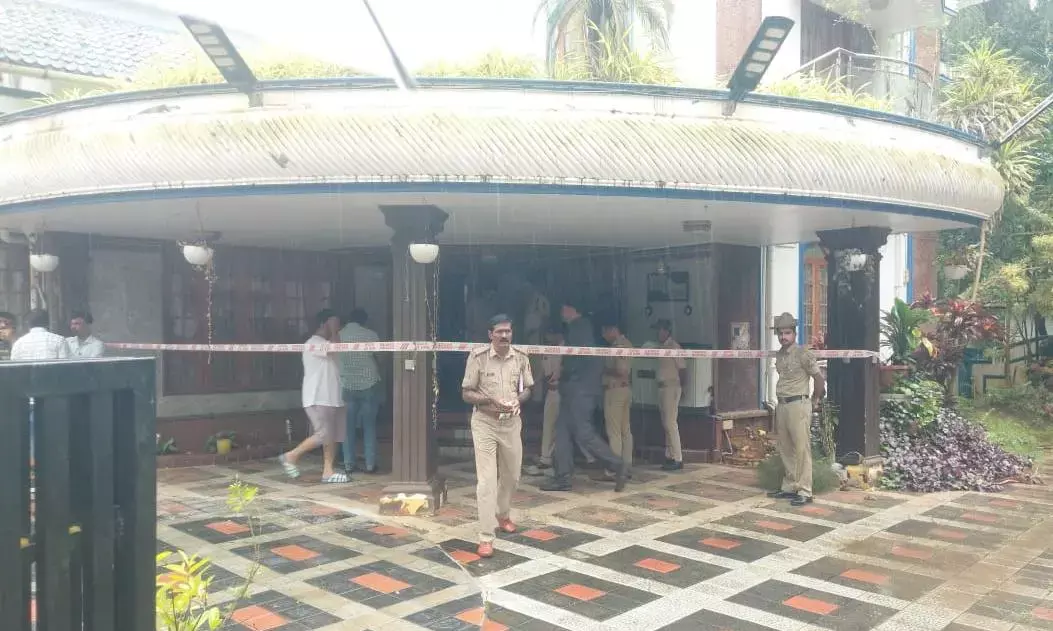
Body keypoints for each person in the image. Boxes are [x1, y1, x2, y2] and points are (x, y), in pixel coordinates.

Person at [461, 314, 533, 558]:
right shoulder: (478, 357)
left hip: (511, 424)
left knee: (512, 476)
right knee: (487, 481)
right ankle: (485, 536)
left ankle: (502, 514)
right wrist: (490, 400)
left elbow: (528, 388)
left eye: (508, 331)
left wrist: (518, 400)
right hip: (485, 423)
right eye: (499, 332)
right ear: (490, 334)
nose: (504, 335)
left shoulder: (521, 357)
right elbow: (466, 393)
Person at [540, 299, 627, 492]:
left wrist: (563, 373)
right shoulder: (583, 328)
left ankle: (616, 464)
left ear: (571, 308)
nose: (561, 312)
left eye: (563, 308)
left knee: (583, 432)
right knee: (562, 432)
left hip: (579, 389)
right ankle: (562, 477)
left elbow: (579, 359)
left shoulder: (579, 327)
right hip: (576, 389)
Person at [280, 309, 349, 484]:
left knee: (333, 436)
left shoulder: (329, 342)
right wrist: (333, 330)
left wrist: (334, 331)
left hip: (334, 397)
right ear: (323, 324)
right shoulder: (313, 343)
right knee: (324, 434)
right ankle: (291, 456)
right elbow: (333, 348)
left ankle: (328, 471)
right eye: (334, 323)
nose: (338, 328)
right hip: (318, 397)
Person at [768, 312, 826, 507]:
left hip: (798, 404)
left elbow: (819, 378)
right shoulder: (780, 354)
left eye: (787, 333)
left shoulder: (803, 354)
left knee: (801, 448)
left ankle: (805, 490)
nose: (783, 337)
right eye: (780, 333)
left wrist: (815, 399)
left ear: (794, 333)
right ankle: (790, 486)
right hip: (782, 404)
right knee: (785, 447)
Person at [524, 328, 596, 476]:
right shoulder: (548, 349)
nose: (548, 337)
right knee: (550, 425)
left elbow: (568, 371)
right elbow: (543, 373)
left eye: (550, 334)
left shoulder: (567, 349)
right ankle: (546, 459)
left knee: (573, 426)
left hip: (565, 393)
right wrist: (531, 384)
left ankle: (591, 458)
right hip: (552, 393)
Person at [339, 308, 382, 474]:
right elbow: (380, 357)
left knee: (347, 427)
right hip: (369, 384)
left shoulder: (339, 335)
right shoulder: (371, 334)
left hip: (347, 384)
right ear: (364, 321)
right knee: (369, 426)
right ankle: (370, 464)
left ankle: (348, 464)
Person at [600, 318, 634, 478]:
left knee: (614, 431)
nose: (604, 335)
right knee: (625, 430)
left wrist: (604, 369)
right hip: (625, 389)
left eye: (605, 331)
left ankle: (615, 469)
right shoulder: (627, 343)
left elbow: (621, 370)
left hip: (615, 390)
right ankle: (626, 465)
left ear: (613, 329)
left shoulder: (618, 346)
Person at [654, 319, 687, 472]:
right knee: (665, 423)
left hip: (671, 387)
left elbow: (683, 369)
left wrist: (683, 388)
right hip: (662, 388)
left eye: (660, 330)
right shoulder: (661, 347)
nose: (657, 333)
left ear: (666, 331)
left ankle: (678, 458)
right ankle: (670, 455)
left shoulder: (674, 347)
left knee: (671, 423)